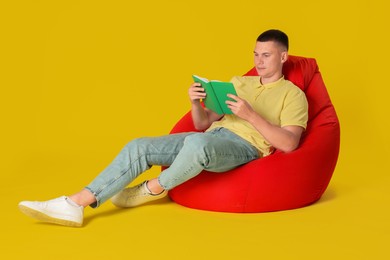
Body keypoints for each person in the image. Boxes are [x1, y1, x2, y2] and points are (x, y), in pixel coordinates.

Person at [18, 29, 308, 227]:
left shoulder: (293, 95)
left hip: (245, 148)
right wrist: (196, 102)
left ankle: (152, 189)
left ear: (283, 57)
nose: (258, 61)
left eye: (266, 55)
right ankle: (75, 203)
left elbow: (289, 143)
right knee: (139, 145)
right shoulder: (240, 81)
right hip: (212, 138)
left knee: (197, 145)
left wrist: (250, 115)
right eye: (256, 54)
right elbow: (202, 124)